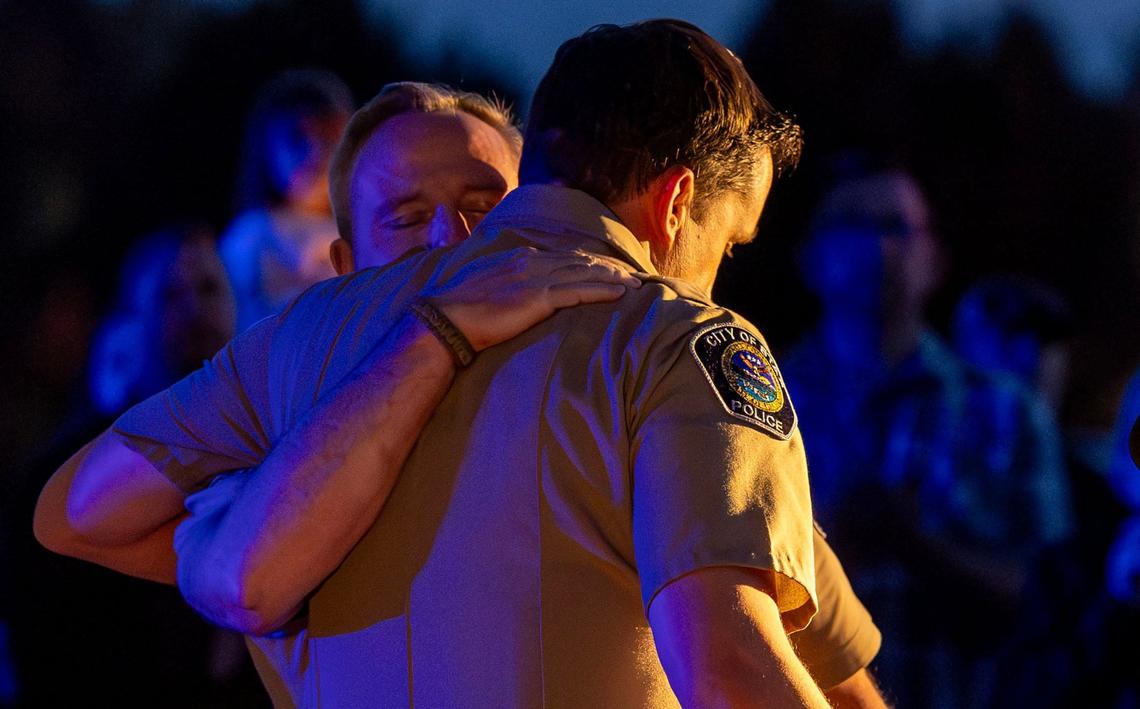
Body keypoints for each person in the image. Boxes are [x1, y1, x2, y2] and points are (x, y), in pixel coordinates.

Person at [34, 25, 861, 702]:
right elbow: (731, 661)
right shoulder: (673, 339)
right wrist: (279, 531)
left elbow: (825, 643)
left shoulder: (296, 343)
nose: (452, 246)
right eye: (407, 219)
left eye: (482, 209)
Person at [785, 166, 1072, 708]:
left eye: (897, 226)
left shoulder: (1006, 412)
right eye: (852, 223)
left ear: (935, 260)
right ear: (809, 257)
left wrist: (912, 544)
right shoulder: (757, 404)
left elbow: (1049, 606)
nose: (877, 246)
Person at [220, 70, 353, 330]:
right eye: (297, 138)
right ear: (266, 147)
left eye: (328, 140)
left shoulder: (359, 233)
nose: (315, 152)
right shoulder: (251, 237)